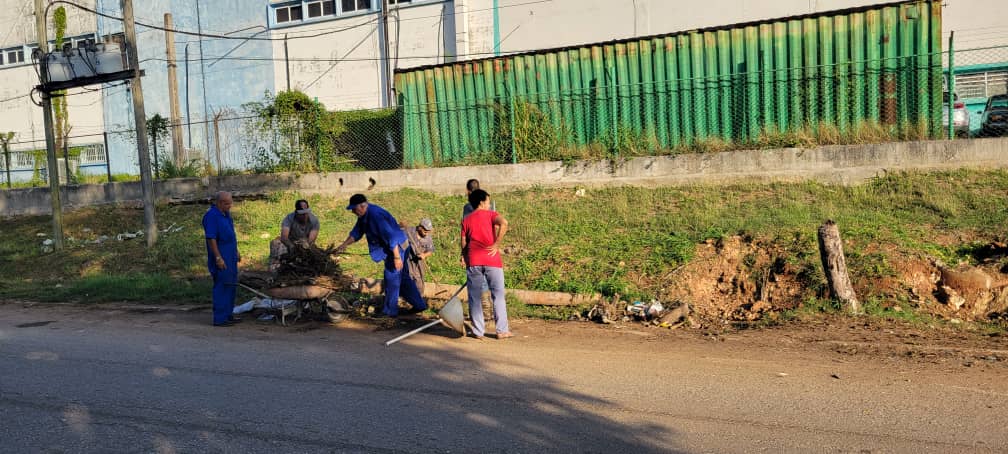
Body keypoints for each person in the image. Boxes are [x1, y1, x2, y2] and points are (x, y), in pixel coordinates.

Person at [335, 194, 427, 318]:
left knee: (392, 278)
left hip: (397, 248)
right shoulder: (364, 216)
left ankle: (389, 313)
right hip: (394, 247)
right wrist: (343, 245)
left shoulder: (375, 216)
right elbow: (357, 232)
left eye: (354, 209)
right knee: (403, 279)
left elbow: (391, 236)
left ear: (362, 206)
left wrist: (396, 257)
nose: (352, 212)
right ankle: (420, 305)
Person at [460, 189, 512, 339]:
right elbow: (504, 223)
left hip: (474, 260)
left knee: (474, 296)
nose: (489, 204)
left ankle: (478, 331)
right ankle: (502, 331)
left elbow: (464, 242)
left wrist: (464, 256)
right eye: (488, 201)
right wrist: (496, 244)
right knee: (498, 295)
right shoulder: (491, 215)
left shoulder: (466, 220)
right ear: (482, 202)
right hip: (492, 260)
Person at [202, 191, 242, 327]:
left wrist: (236, 251)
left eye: (230, 203)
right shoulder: (212, 216)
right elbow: (211, 238)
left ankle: (228, 314)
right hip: (221, 255)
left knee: (231, 285)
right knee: (222, 286)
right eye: (227, 203)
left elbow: (231, 235)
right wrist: (218, 257)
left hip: (230, 255)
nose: (230, 206)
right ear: (219, 203)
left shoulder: (226, 215)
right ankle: (220, 318)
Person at [462, 178, 495, 321]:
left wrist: (463, 254)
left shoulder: (468, 207)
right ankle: (488, 311)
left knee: (477, 282)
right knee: (489, 280)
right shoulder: (490, 205)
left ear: (468, 191)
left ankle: (482, 313)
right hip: (489, 246)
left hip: (474, 249)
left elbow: (465, 233)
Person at [269, 199, 321, 271]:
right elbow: (284, 237)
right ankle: (275, 268)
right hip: (290, 242)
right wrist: (291, 246)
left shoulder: (314, 220)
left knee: (310, 251)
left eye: (306, 213)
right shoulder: (289, 218)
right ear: (296, 213)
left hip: (304, 243)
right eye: (302, 214)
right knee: (275, 243)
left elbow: (311, 240)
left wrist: (303, 247)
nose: (305, 216)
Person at [403, 218, 435, 295]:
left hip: (419, 262)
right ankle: (407, 297)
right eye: (425, 231)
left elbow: (431, 250)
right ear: (420, 227)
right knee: (408, 277)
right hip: (408, 259)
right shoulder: (409, 231)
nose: (426, 233)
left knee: (419, 280)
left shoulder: (428, 238)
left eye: (428, 231)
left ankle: (419, 298)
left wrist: (424, 255)